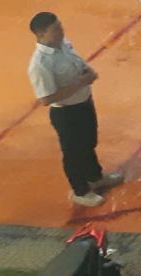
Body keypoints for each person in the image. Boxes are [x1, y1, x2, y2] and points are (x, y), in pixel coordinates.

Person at [29, 12, 123, 207]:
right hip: (66, 113)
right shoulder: (40, 64)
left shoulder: (63, 44)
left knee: (89, 142)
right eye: (56, 29)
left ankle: (95, 177)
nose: (61, 30)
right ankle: (80, 191)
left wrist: (88, 72)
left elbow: (77, 62)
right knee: (73, 153)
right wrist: (80, 83)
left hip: (84, 103)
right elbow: (46, 98)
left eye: (60, 26)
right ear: (41, 34)